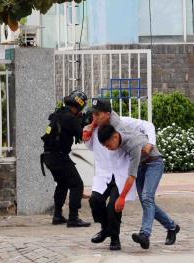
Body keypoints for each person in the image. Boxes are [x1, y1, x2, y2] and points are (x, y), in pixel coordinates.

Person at [83, 98, 157, 250]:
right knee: (95, 201)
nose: (94, 118)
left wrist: (151, 143)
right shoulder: (94, 127)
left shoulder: (122, 123)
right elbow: (90, 147)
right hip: (104, 174)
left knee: (114, 207)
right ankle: (105, 229)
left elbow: (148, 125)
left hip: (120, 173)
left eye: (97, 115)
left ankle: (115, 239)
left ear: (108, 114)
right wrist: (87, 134)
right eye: (93, 115)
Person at [98, 124, 180, 250]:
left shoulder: (132, 145)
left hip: (154, 163)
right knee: (147, 203)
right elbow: (109, 113)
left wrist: (122, 197)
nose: (108, 149)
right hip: (142, 166)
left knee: (147, 198)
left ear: (115, 137)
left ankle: (145, 235)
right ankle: (172, 226)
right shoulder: (118, 131)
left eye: (108, 145)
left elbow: (131, 176)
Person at [40, 89, 90, 227]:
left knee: (62, 184)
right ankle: (73, 218)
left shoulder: (59, 113)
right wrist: (87, 124)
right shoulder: (70, 118)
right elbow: (83, 136)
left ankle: (57, 216)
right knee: (77, 184)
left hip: (48, 156)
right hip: (58, 156)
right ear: (79, 105)